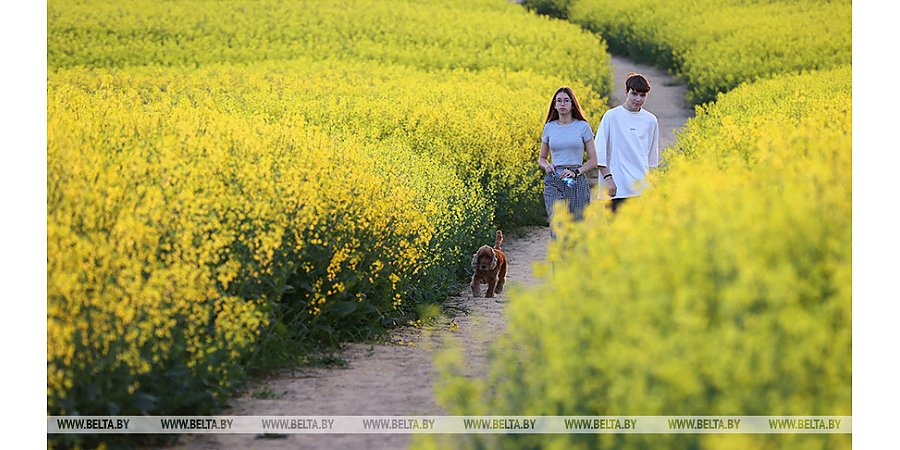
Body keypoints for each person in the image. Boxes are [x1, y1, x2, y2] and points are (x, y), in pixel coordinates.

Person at [594, 72, 659, 213]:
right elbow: (598, 152)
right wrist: (608, 179)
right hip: (616, 188)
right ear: (626, 92)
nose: (638, 99)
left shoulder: (651, 120)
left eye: (642, 95)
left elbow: (651, 158)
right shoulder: (611, 116)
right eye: (634, 94)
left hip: (641, 189)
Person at [538, 86, 599, 231]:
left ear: (572, 104)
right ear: (554, 105)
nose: (562, 104)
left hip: (576, 179)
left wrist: (576, 172)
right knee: (557, 222)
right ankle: (558, 254)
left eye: (566, 100)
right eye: (559, 101)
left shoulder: (582, 127)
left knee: (577, 227)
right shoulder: (549, 127)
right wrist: (547, 165)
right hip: (554, 178)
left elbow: (593, 161)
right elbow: (542, 158)